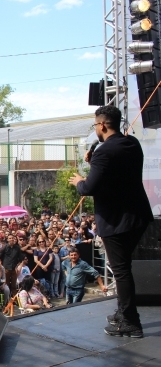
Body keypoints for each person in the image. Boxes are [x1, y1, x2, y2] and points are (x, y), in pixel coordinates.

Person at [70, 105, 153, 338]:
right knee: (124, 268)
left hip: (116, 221)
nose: (96, 128)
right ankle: (123, 312)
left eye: (95, 125)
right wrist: (94, 161)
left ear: (103, 125)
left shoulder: (104, 152)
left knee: (121, 271)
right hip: (138, 217)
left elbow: (89, 187)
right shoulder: (132, 144)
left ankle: (131, 322)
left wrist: (78, 181)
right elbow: (114, 176)